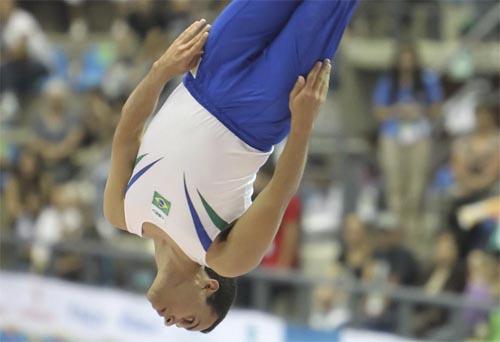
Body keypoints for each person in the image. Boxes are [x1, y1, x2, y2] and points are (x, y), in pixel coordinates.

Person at [104, 0, 357, 333]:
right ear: (208, 287)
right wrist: (303, 127)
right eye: (188, 321)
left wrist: (161, 70)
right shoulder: (225, 258)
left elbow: (125, 136)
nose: (169, 322)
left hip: (207, 72)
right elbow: (279, 191)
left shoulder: (122, 214)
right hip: (261, 111)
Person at [372, 43, 443, 246]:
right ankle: (396, 232)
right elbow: (378, 112)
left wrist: (419, 111)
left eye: (410, 57)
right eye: (403, 57)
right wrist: (397, 111)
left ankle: (412, 235)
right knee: (394, 184)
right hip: (393, 135)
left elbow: (436, 109)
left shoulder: (427, 79)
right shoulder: (389, 81)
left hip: (418, 135)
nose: (406, 62)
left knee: (415, 185)